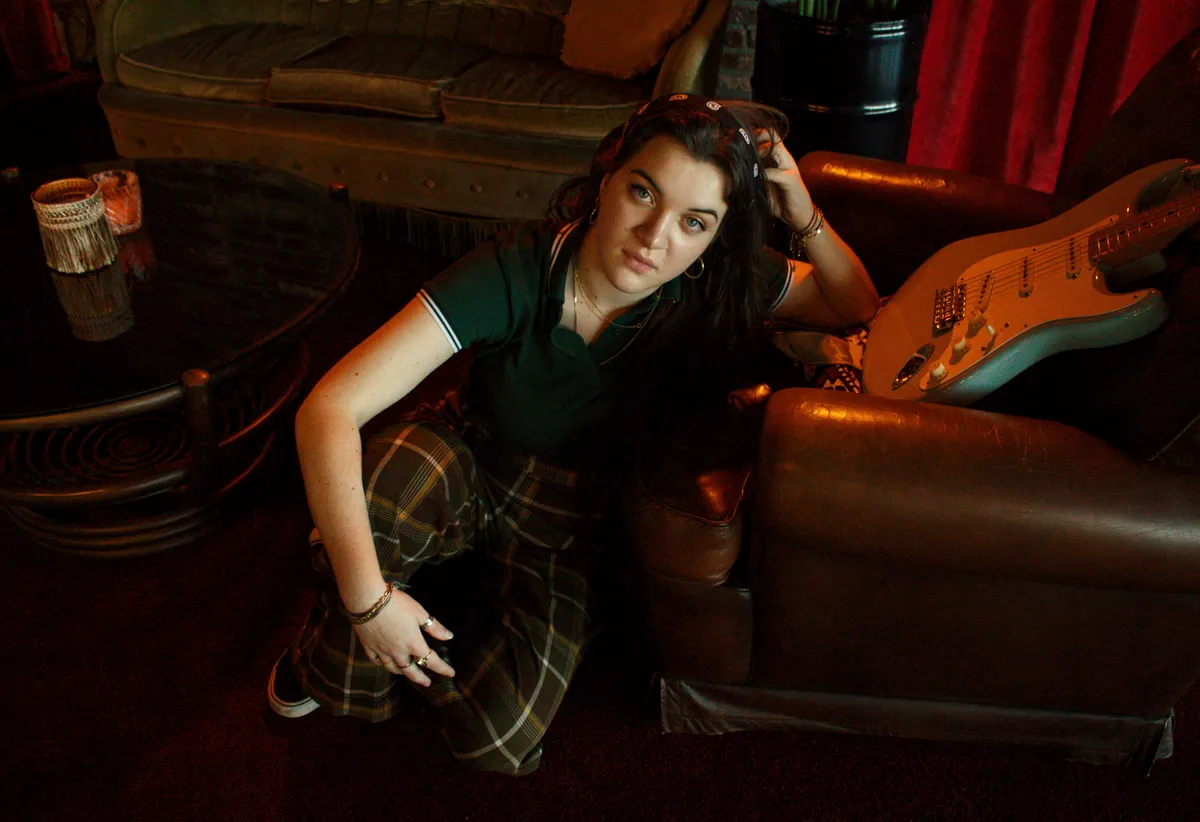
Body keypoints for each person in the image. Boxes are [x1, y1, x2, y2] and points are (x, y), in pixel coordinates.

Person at [266, 93, 879, 775]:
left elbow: (855, 304)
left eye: (694, 222)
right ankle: (336, 642)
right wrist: (365, 601)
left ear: (714, 238)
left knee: (498, 742)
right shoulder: (519, 265)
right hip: (471, 455)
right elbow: (329, 408)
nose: (655, 238)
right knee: (382, 497)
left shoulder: (716, 281)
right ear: (607, 179)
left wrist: (802, 211)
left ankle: (425, 604)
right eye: (643, 192)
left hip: (573, 518)